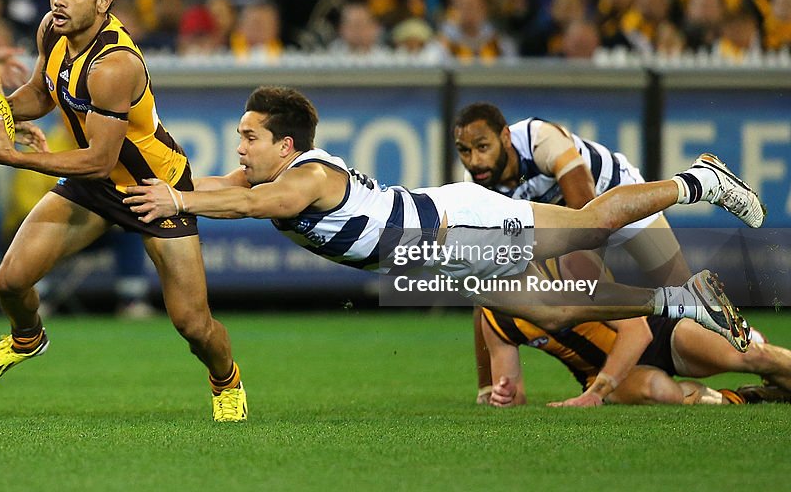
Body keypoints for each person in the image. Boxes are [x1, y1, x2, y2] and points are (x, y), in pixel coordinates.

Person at [125, 86, 765, 351]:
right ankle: (678, 301)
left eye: (248, 136)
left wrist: (179, 204)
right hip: (437, 251)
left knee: (590, 226)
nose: (239, 148)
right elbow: (206, 184)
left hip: (457, 224)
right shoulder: (271, 171)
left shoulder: (308, 177)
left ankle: (700, 180)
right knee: (557, 311)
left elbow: (244, 204)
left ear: (284, 145)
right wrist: (129, 180)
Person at [0, 0, 247, 423]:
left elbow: (98, 158)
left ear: (104, 1)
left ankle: (226, 380)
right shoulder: (52, 31)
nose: (59, 1)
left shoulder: (115, 65)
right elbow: (38, 93)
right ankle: (28, 338)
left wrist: (13, 156)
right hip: (92, 187)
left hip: (153, 189)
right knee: (9, 281)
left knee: (193, 325)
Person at [453, 102, 696, 401]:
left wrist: (569, 279)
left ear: (505, 137)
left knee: (686, 296)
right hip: (572, 225)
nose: (475, 160)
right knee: (489, 280)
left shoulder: (540, 139)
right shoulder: (476, 188)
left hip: (618, 201)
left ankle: (753, 351)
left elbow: (587, 216)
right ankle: (635, 365)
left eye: (482, 147)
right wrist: (487, 388)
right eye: (465, 151)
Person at [480, 264, 791, 407]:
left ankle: (772, 371)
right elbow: (515, 396)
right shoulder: (494, 317)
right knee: (660, 392)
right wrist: (504, 395)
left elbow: (637, 330)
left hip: (658, 333)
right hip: (603, 372)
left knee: (750, 354)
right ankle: (743, 397)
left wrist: (596, 394)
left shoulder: (566, 269)